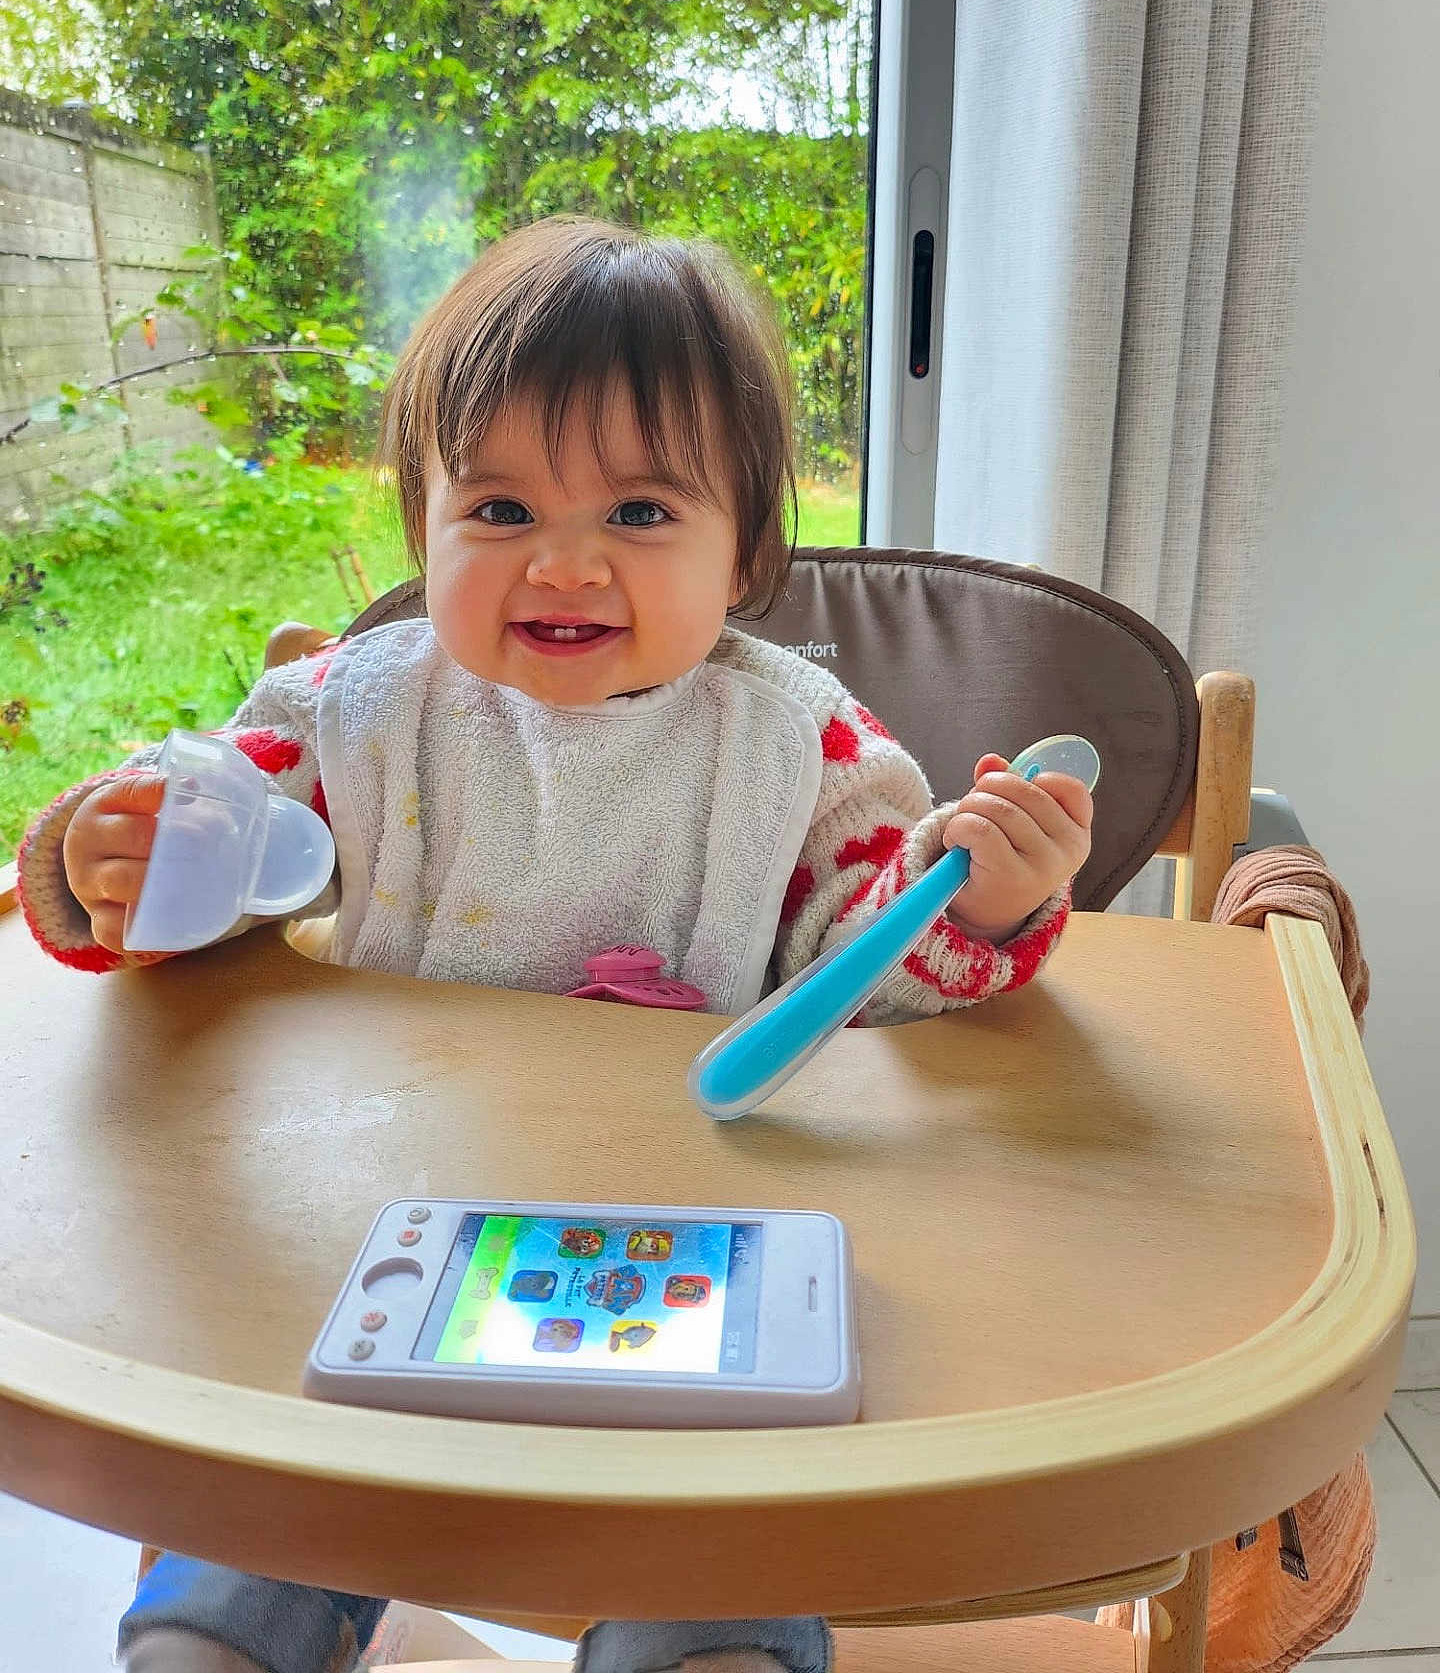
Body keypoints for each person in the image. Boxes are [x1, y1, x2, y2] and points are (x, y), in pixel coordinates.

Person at [17, 217, 1094, 1673]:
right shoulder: (357, 709)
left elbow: (868, 965)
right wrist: (122, 854)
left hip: (678, 1274)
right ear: (425, 529)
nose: (567, 566)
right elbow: (213, 832)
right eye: (503, 511)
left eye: (642, 515)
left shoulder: (799, 747)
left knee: (716, 1618)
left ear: (748, 549)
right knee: (210, 1618)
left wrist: (969, 907)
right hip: (380, 1264)